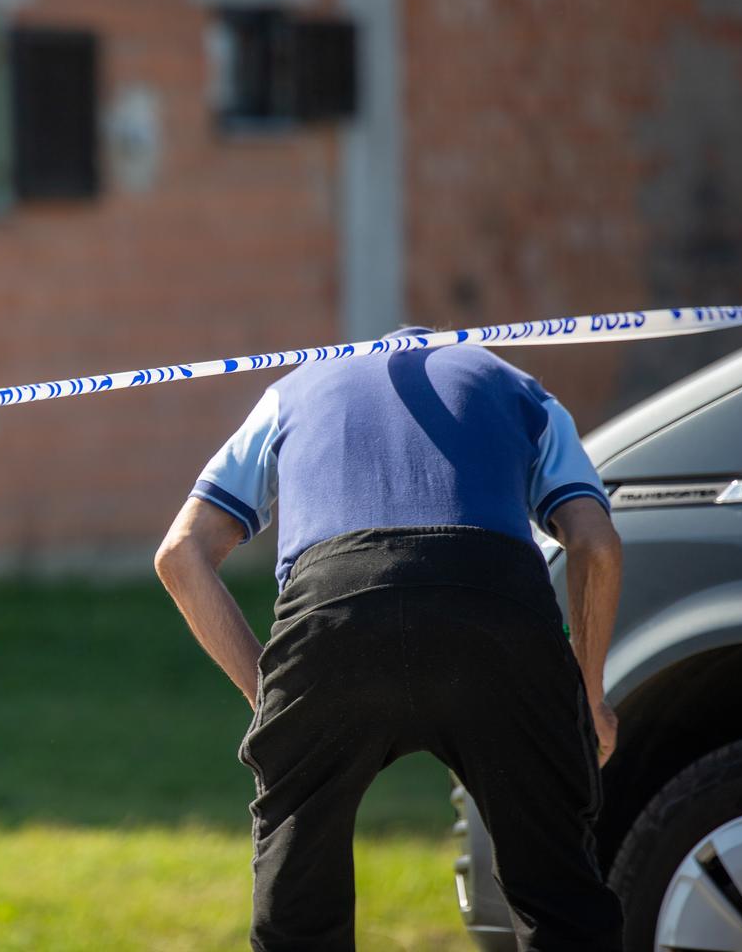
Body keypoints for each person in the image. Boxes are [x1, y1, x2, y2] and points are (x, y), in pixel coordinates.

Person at [153, 328, 624, 952]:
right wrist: (587, 704)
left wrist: (270, 699)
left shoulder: (290, 393)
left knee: (298, 903)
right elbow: (595, 543)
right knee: (563, 900)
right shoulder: (520, 389)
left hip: (334, 611)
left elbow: (180, 552)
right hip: (494, 608)